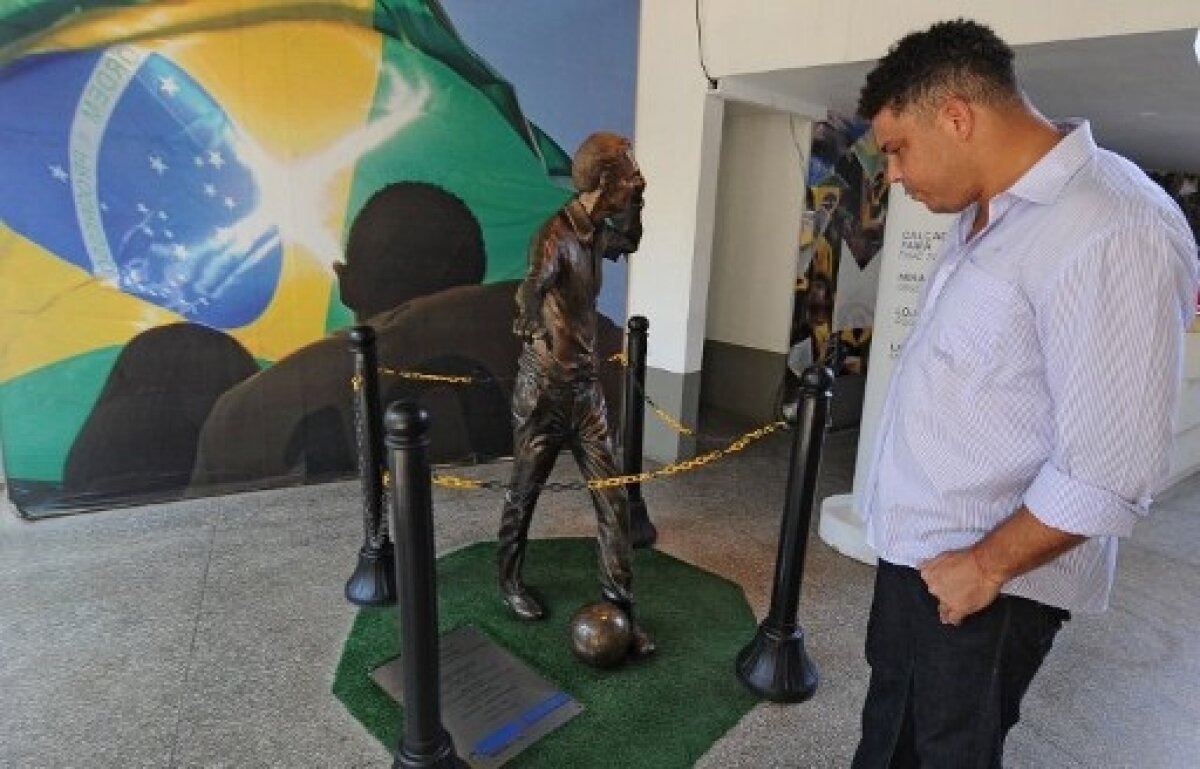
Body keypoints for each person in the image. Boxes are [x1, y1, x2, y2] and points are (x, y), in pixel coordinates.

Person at [851, 19, 1198, 768]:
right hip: (924, 558)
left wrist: (984, 567)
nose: (896, 176)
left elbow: (1108, 468)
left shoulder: (1113, 226)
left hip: (986, 585)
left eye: (897, 149)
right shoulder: (996, 211)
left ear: (955, 116)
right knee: (890, 742)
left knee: (942, 754)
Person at [496, 131, 655, 659]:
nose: (635, 179)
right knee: (525, 492)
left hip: (586, 394)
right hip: (544, 391)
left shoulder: (596, 234)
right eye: (630, 174)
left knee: (611, 500)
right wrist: (526, 318)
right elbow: (530, 287)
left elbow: (629, 243)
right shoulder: (557, 234)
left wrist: (639, 202)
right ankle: (510, 583)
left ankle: (621, 610)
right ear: (605, 180)